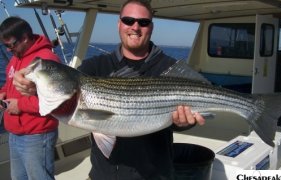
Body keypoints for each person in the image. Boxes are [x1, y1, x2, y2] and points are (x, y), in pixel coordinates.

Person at [13, 0, 205, 179]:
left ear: (151, 27)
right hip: (103, 174)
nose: (135, 27)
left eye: (143, 22)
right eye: (128, 20)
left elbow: (178, 120)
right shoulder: (94, 67)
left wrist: (183, 123)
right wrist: (32, 84)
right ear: (119, 24)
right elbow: (61, 86)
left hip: (154, 174)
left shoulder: (168, 67)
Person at [0, 16, 60, 180]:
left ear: (25, 38)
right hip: (14, 133)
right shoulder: (15, 58)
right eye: (4, 45)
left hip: (37, 135)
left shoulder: (46, 60)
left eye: (10, 45)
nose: (7, 50)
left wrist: (20, 105)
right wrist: (3, 93)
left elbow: (54, 101)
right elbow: (9, 83)